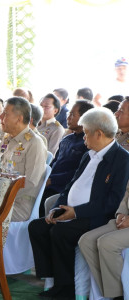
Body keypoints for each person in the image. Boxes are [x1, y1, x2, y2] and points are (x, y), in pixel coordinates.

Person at [28, 107, 129, 299]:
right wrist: (58, 206)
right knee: (38, 227)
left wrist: (76, 212)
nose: (83, 137)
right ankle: (54, 280)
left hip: (96, 216)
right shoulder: (88, 154)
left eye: (86, 133)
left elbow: (113, 201)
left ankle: (66, 289)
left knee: (61, 232)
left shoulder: (122, 159)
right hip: (72, 211)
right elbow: (70, 186)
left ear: (98, 134)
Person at [38, 100, 94, 217]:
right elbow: (54, 162)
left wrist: (53, 180)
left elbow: (79, 172)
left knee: (42, 202)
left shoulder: (88, 143)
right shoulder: (67, 139)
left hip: (64, 187)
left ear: (85, 117)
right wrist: (45, 177)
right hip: (50, 182)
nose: (68, 117)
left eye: (73, 115)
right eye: (69, 114)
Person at [0, 97, 47, 221]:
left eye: (5, 114)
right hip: (0, 199)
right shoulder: (7, 139)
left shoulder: (34, 143)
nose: (0, 117)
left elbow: (30, 182)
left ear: (19, 119)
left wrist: (0, 196)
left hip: (18, 204)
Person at [78, 185, 129, 299]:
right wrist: (120, 213)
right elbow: (127, 193)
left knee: (107, 243)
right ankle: (112, 293)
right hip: (125, 219)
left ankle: (119, 295)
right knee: (86, 242)